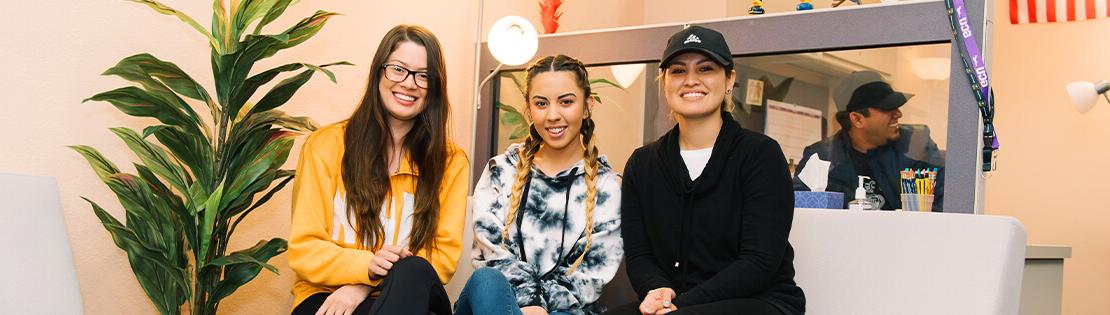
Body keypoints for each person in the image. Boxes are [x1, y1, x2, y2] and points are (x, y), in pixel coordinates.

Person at [607, 25, 805, 315]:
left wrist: (679, 305)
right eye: (677, 71)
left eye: (706, 69)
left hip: (760, 301)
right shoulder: (643, 163)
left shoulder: (760, 155)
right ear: (664, 81)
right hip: (674, 304)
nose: (690, 80)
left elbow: (758, 263)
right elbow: (640, 255)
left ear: (729, 79)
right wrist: (657, 290)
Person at [287, 24, 470, 315]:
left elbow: (442, 256)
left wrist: (366, 282)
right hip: (329, 299)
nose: (410, 83)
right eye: (398, 69)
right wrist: (363, 267)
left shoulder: (450, 162)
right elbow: (304, 248)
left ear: (434, 87)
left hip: (412, 297)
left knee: (414, 270)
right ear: (378, 72)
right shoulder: (326, 146)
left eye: (423, 76)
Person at [457, 55, 623, 315]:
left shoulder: (606, 186)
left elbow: (593, 273)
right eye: (541, 103)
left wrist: (540, 306)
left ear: (587, 106)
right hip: (498, 304)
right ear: (529, 109)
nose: (553, 115)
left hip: (564, 311)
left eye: (566, 102)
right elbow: (490, 251)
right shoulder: (501, 170)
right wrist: (528, 302)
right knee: (487, 282)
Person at [792, 80, 945, 211]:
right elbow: (800, 202)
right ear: (857, 119)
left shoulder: (916, 145)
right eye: (887, 108)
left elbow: (947, 196)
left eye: (897, 107)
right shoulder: (822, 156)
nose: (898, 114)